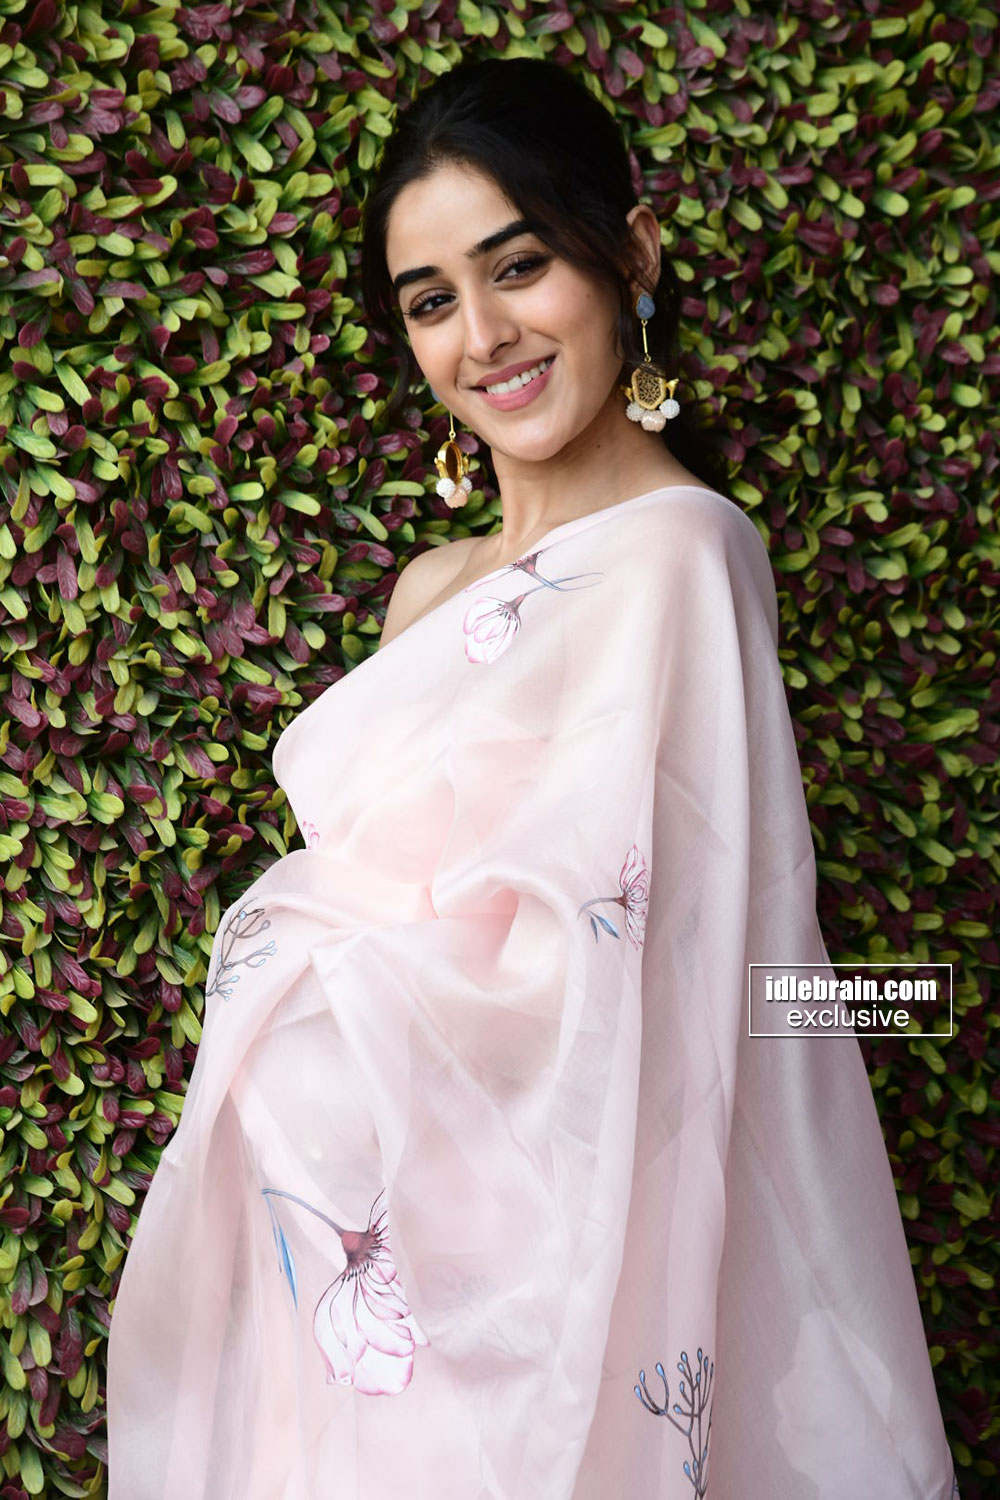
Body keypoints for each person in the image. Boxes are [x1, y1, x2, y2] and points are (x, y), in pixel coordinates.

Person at [105, 56, 959, 1500]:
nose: (485, 335)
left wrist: (927, 1001)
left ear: (632, 255)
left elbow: (700, 961)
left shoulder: (683, 555)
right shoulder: (428, 594)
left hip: (558, 1284)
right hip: (367, 1279)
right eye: (431, 300)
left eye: (519, 266)